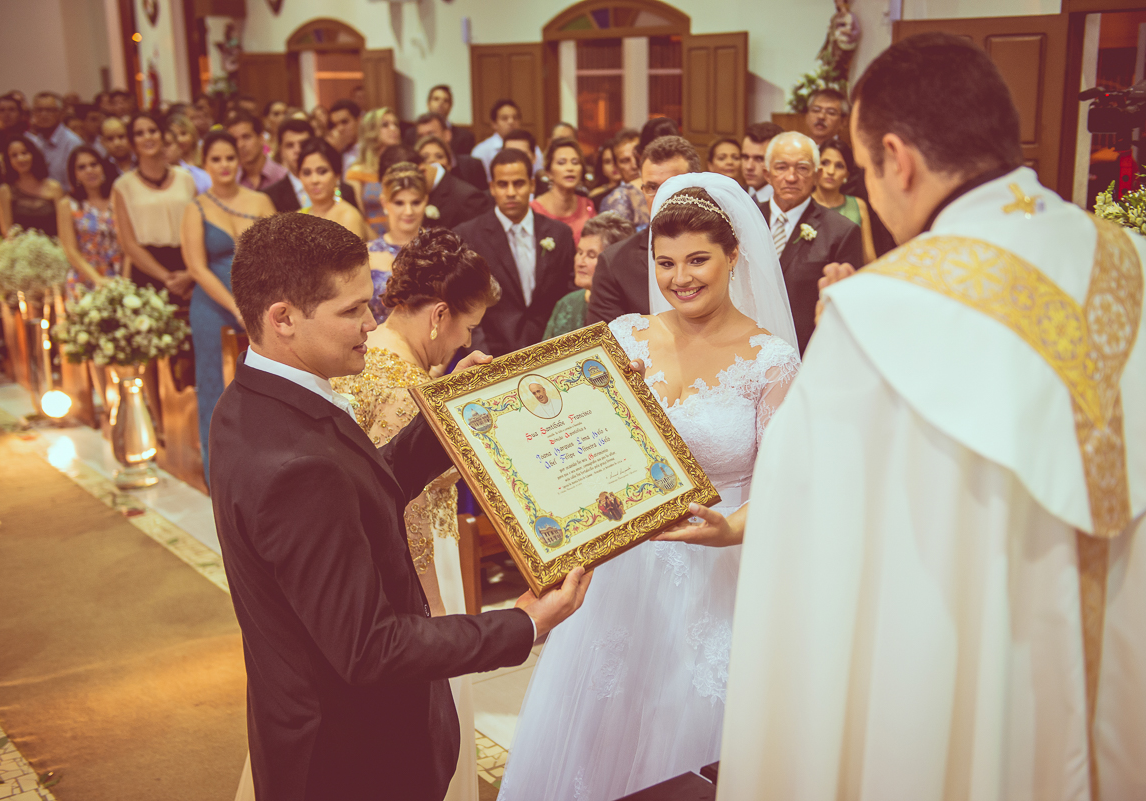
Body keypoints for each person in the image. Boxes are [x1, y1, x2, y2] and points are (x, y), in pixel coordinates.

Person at [720, 32, 1146, 800]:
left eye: (866, 171)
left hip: (968, 721)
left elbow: (805, 566)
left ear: (897, 160)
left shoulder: (882, 317)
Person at [211, 211, 592, 801]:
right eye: (350, 311)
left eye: (370, 303)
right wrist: (523, 624)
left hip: (312, 728)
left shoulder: (251, 402)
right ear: (282, 318)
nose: (371, 323)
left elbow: (364, 483)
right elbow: (371, 648)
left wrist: (450, 408)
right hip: (354, 760)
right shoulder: (295, 466)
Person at [500, 174, 801, 801]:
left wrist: (728, 532)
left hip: (718, 576)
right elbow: (567, 444)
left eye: (698, 260)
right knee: (599, 728)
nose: (680, 277)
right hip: (620, 571)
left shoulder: (771, 361)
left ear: (733, 257)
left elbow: (785, 490)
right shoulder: (625, 337)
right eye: (665, 263)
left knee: (691, 744)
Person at [327, 228, 500, 801]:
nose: (463, 340)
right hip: (414, 570)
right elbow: (408, 519)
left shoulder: (362, 357)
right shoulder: (407, 388)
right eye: (467, 326)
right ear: (440, 314)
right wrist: (439, 618)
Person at [181, 129, 274, 485]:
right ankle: (219, 476)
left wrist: (257, 303)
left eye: (229, 158)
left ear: (239, 161)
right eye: (215, 159)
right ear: (205, 164)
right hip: (213, 307)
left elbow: (276, 252)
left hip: (261, 304)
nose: (223, 165)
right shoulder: (196, 207)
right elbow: (196, 267)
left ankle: (263, 470)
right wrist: (236, 307)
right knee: (214, 386)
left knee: (263, 384)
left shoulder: (261, 201)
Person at [453, 148, 574, 356]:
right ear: (491, 188)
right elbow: (464, 304)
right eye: (502, 184)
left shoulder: (559, 233)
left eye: (518, 183)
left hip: (552, 350)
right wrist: (482, 358)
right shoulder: (468, 235)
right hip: (493, 354)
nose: (510, 192)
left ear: (532, 185)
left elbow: (569, 296)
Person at [758, 131, 861, 353]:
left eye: (802, 168)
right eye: (781, 167)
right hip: (745, 349)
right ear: (767, 174)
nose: (791, 177)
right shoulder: (745, 219)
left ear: (817, 174)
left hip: (805, 352)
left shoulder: (841, 231)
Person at [586, 135, 701, 324]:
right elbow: (604, 345)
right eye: (652, 187)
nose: (661, 197)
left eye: (670, 186)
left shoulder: (722, 248)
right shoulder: (614, 263)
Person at [113, 112, 197, 304]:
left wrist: (189, 274)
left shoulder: (185, 178)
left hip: (187, 266)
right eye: (140, 133)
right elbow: (129, 244)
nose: (148, 137)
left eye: (152, 131)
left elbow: (198, 229)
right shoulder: (123, 186)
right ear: (132, 143)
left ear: (162, 136)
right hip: (147, 270)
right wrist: (166, 277)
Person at [543, 212, 634, 340]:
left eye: (591, 255)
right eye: (579, 252)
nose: (580, 262)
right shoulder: (566, 303)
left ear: (615, 260)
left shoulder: (631, 309)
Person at [364, 162, 429, 324]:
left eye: (415, 202)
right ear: (384, 203)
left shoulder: (442, 250)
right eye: (399, 203)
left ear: (426, 200)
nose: (408, 211)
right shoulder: (367, 254)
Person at [56, 146, 122, 293]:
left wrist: (124, 279)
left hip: (118, 274)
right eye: (82, 167)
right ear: (75, 175)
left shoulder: (117, 198)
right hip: (85, 277)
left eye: (94, 164)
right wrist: (97, 279)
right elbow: (70, 250)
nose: (89, 170)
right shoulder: (67, 205)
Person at [264, 118, 359, 214]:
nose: (297, 150)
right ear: (281, 151)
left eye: (302, 144)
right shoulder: (271, 197)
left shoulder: (345, 191)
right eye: (290, 145)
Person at [403, 140, 490, 232]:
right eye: (425, 157)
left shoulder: (468, 197)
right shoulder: (417, 192)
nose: (432, 161)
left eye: (439, 156)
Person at [812, 137, 876, 262]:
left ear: (847, 174)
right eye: (825, 163)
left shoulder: (858, 205)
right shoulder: (804, 203)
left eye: (839, 166)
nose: (830, 171)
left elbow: (869, 257)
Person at [344, 107, 402, 238]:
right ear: (371, 131)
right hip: (370, 239)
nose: (393, 129)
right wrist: (380, 244)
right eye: (385, 125)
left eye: (395, 124)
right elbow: (357, 218)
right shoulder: (356, 171)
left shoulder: (402, 167)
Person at [297, 137, 368, 240]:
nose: (314, 180)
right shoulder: (298, 218)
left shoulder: (349, 216)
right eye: (307, 173)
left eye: (322, 172)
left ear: (337, 175)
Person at [531, 137, 595, 243]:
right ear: (549, 172)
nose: (570, 168)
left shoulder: (587, 205)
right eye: (561, 163)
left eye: (575, 162)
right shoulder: (534, 210)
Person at [0, 136, 63, 238]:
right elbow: (7, 231)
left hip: (53, 247)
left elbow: (64, 228)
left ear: (33, 154)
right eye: (14, 155)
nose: (20, 159)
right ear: (8, 160)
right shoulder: (5, 190)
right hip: (19, 249)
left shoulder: (54, 187)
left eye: (24, 153)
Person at [412, 112, 487, 190]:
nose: (426, 139)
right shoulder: (415, 168)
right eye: (421, 136)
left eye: (431, 134)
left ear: (447, 135)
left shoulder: (473, 166)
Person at [472, 98, 543, 176]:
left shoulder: (533, 147)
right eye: (504, 118)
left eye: (515, 118)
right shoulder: (482, 151)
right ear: (494, 124)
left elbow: (538, 174)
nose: (511, 122)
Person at [27, 92, 83, 189]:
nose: (43, 115)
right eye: (39, 110)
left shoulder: (72, 143)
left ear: (61, 113)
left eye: (49, 110)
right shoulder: (33, 141)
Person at [598, 128, 646, 228]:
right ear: (616, 166)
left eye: (637, 157)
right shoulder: (609, 200)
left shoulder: (661, 190)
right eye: (625, 161)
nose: (634, 165)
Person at [226, 110, 286, 192]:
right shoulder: (232, 181)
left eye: (246, 137)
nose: (240, 145)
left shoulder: (282, 177)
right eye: (235, 140)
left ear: (261, 138)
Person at [419, 85, 475, 155]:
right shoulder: (411, 134)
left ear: (451, 106)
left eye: (446, 101)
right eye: (436, 99)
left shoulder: (465, 137)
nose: (440, 103)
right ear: (428, 103)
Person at [741, 121, 783, 204]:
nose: (749, 167)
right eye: (745, 157)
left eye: (759, 159)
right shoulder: (735, 195)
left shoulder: (787, 202)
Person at [327, 98, 361, 174]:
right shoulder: (336, 150)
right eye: (335, 125)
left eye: (344, 122)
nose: (339, 129)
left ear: (358, 121)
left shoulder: (372, 148)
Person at [588, 138, 621, 204]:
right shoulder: (595, 195)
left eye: (616, 159)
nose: (613, 165)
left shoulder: (636, 189)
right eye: (608, 162)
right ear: (602, 167)